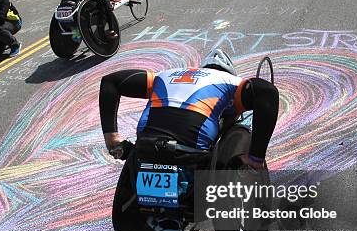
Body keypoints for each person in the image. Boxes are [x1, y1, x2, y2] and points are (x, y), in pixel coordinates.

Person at [99, 48, 279, 171]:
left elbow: (110, 82)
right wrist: (256, 157)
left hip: (146, 141)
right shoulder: (233, 83)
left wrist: (112, 137)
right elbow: (268, 92)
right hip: (191, 145)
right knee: (234, 141)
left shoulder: (165, 75)